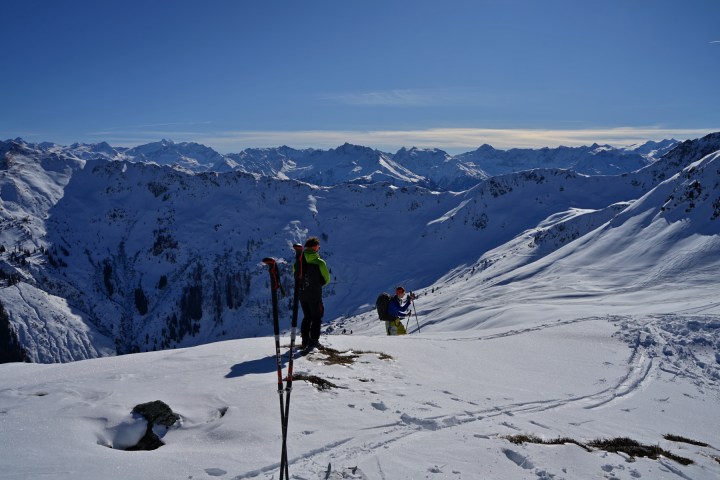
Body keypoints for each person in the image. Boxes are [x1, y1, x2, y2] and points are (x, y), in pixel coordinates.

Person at [295, 237, 330, 352]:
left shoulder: (299, 261)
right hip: (315, 294)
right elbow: (326, 279)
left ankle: (305, 341)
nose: (319, 248)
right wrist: (316, 285)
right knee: (317, 317)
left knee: (307, 317)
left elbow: (295, 275)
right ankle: (313, 341)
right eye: (318, 246)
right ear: (315, 247)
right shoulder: (320, 263)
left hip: (302, 294)